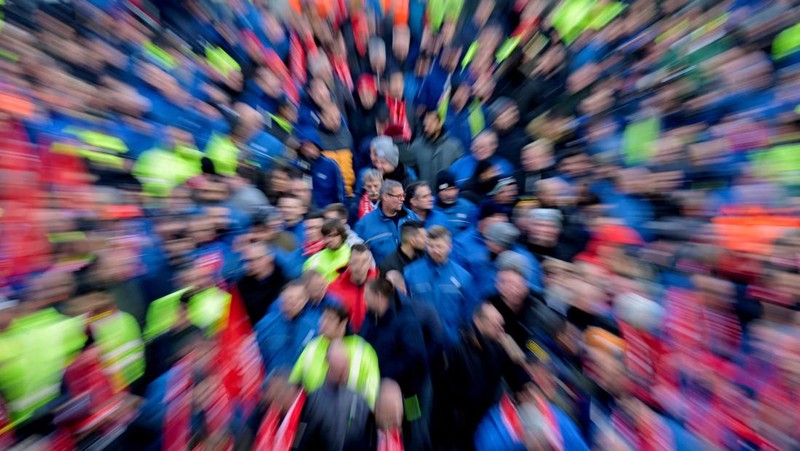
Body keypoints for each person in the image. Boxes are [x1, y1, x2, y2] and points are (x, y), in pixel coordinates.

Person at [433, 303, 530, 450]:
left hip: (484, 421)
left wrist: (513, 353)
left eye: (501, 325)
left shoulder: (498, 348)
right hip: (457, 426)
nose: (501, 330)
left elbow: (520, 379)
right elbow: (472, 391)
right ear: (478, 321)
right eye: (495, 325)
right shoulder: (458, 348)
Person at [360, 278, 429, 449]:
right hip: (378, 390)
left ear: (378, 296)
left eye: (367, 296)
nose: (364, 300)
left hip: (410, 392)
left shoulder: (405, 321)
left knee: (413, 429)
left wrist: (388, 378)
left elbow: (415, 359)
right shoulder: (371, 319)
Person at [290, 303, 381, 408]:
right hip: (314, 414)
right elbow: (295, 381)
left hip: (349, 415)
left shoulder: (363, 350)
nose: (323, 322)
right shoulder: (312, 346)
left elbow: (371, 391)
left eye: (330, 319)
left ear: (343, 323)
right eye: (323, 317)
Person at [294, 340, 378, 451]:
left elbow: (369, 439)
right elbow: (301, 441)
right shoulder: (313, 400)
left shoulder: (359, 401)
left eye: (344, 365)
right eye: (338, 365)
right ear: (327, 363)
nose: (343, 371)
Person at [404, 226, 477, 346]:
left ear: (450, 247)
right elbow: (405, 307)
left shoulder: (464, 277)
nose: (435, 251)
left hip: (451, 344)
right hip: (420, 341)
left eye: (439, 246)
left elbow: (467, 314)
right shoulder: (410, 273)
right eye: (431, 246)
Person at [453, 210, 542, 299]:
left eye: (490, 240)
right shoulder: (487, 257)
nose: (486, 242)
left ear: (499, 245)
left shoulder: (525, 263)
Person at [255, 281, 318, 372]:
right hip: (272, 381)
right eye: (289, 298)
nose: (293, 302)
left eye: (299, 298)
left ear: (305, 301)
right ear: (281, 299)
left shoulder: (313, 328)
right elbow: (257, 358)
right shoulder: (265, 325)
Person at [354, 180, 419, 265]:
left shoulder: (412, 217)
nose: (402, 199)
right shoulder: (364, 225)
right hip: (383, 276)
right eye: (398, 196)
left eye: (403, 195)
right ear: (385, 197)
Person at [327, 244, 379, 332]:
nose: (359, 267)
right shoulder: (333, 288)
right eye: (355, 262)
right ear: (349, 263)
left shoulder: (380, 285)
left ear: (370, 263)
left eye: (364, 262)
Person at [410, 108, 465, 186]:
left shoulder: (454, 146)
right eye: (425, 122)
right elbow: (410, 172)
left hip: (447, 195)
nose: (426, 126)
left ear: (439, 123)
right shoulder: (416, 147)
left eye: (431, 122)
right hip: (424, 196)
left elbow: (461, 172)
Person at [237, 242, 287, 325]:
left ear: (270, 258)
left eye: (258, 259)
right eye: (249, 260)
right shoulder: (241, 286)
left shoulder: (285, 283)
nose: (252, 264)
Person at [294, 132, 346, 209]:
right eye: (305, 147)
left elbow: (340, 193)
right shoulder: (295, 165)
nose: (308, 150)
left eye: (311, 146)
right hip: (301, 210)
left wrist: (340, 211)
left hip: (327, 211)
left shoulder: (330, 165)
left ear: (317, 146)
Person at [450, 130, 514, 188]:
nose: (479, 150)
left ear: (493, 146)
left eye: (483, 147)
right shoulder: (459, 164)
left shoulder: (504, 166)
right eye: (476, 146)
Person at [434, 170, 479, 235]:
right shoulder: (430, 208)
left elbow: (473, 233)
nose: (450, 194)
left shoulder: (468, 208)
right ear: (438, 192)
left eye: (453, 189)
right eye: (446, 190)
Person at [488, 97, 529, 167]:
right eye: (508, 114)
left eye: (514, 111)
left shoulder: (521, 136)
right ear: (495, 120)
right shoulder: (487, 138)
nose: (513, 115)